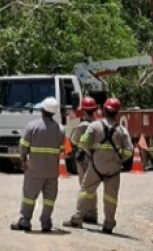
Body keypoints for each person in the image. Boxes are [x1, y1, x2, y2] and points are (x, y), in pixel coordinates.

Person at [64, 97, 134, 234]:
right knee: (111, 197)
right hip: (114, 169)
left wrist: (90, 152)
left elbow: (83, 142)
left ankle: (77, 219)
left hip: (96, 166)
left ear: (103, 110)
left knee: (86, 191)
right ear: (117, 113)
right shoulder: (122, 131)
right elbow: (129, 151)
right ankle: (108, 224)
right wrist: (119, 159)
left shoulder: (94, 126)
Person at [11, 97, 65, 233]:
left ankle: (25, 220)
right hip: (52, 170)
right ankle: (46, 223)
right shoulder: (60, 129)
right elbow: (62, 150)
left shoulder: (32, 126)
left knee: (29, 196)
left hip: (34, 169)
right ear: (53, 113)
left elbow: (24, 147)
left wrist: (23, 160)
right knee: (49, 198)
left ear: (42, 110)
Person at [69, 96, 100, 224]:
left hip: (84, 159)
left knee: (84, 186)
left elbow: (73, 140)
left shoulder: (83, 126)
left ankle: (84, 214)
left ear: (84, 110)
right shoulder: (98, 125)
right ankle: (92, 212)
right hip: (96, 158)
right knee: (92, 187)